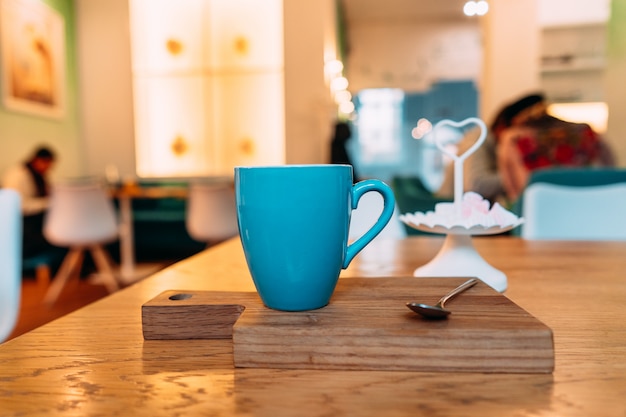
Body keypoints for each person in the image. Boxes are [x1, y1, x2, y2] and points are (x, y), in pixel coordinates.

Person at [497, 93, 615, 201]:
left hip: (539, 203)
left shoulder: (513, 138)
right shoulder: (585, 131)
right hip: (590, 199)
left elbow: (512, 186)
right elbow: (609, 169)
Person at [2, 146, 57, 257]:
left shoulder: (38, 176)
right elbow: (20, 206)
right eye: (47, 164)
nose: (48, 168)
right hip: (22, 224)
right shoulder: (18, 175)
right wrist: (49, 203)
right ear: (37, 160)